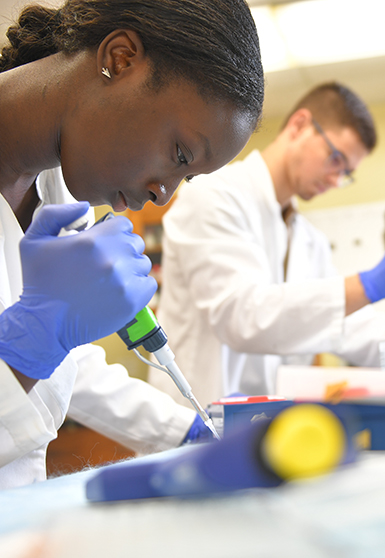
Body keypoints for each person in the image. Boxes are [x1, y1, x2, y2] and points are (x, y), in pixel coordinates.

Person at [0, 0, 264, 488]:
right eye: (180, 155)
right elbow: (31, 345)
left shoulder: (53, 193)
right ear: (120, 59)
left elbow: (63, 361)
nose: (162, 193)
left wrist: (184, 429)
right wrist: (26, 349)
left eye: (186, 176)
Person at [149, 82, 385, 407]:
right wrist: (368, 285)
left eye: (346, 173)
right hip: (194, 420)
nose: (335, 180)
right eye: (335, 158)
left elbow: (348, 324)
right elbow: (244, 317)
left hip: (266, 429)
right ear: (300, 125)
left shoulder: (308, 240)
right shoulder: (213, 196)